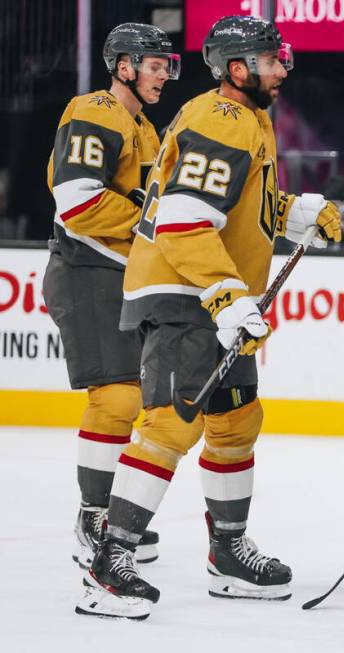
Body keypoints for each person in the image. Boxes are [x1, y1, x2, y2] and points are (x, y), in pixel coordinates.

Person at [75, 15, 342, 620]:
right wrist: (225, 294)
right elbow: (181, 217)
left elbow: (239, 206)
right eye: (272, 60)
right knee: (171, 424)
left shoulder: (250, 121)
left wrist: (296, 213)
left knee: (237, 421)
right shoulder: (219, 118)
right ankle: (109, 565)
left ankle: (228, 553)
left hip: (212, 294)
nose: (282, 69)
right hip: (185, 293)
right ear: (239, 67)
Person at [43, 23, 180, 571]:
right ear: (123, 65)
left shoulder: (143, 127)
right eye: (154, 65)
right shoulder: (94, 111)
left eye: (168, 65)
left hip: (117, 273)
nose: (164, 75)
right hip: (86, 270)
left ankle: (107, 511)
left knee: (139, 403)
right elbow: (77, 203)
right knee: (116, 399)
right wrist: (157, 229)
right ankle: (93, 516)